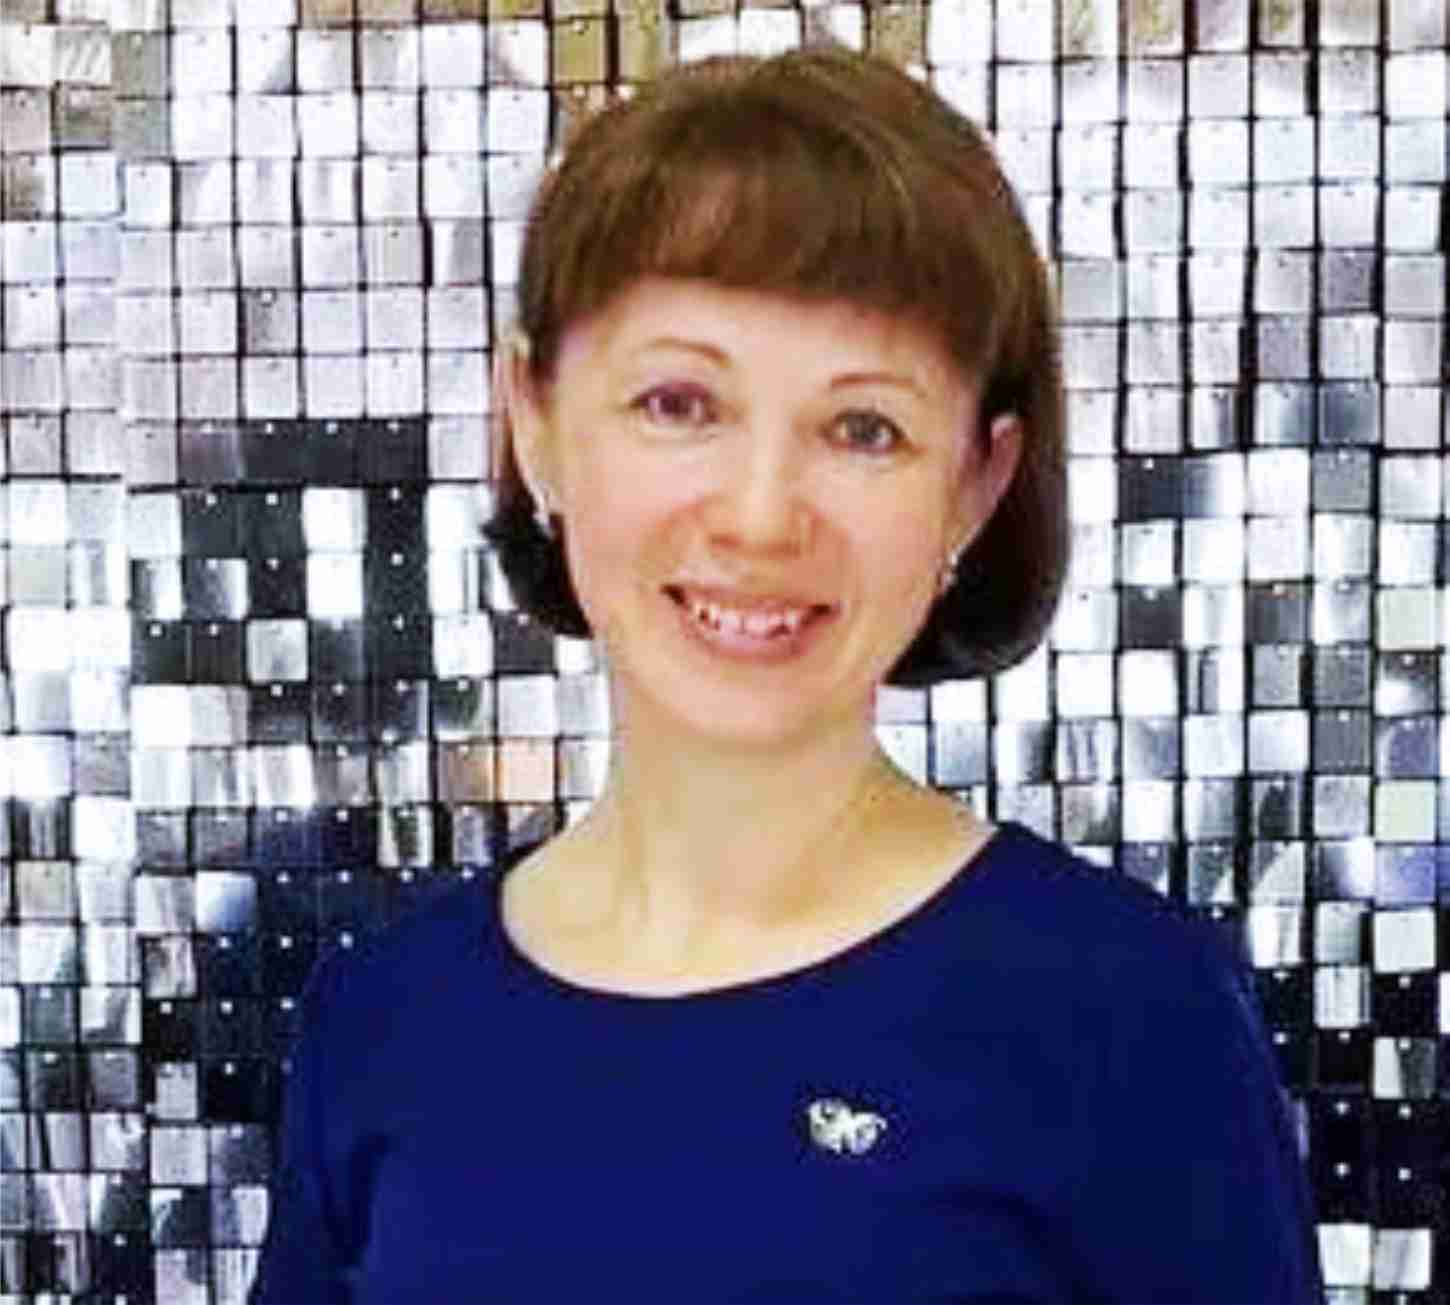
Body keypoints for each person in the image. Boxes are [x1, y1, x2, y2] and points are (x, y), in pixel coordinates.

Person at [249, 42, 1325, 1304]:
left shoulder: (1127, 1015)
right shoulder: (384, 1022)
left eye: (863, 428)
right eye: (678, 404)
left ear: (975, 484)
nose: (760, 516)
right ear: (531, 421)